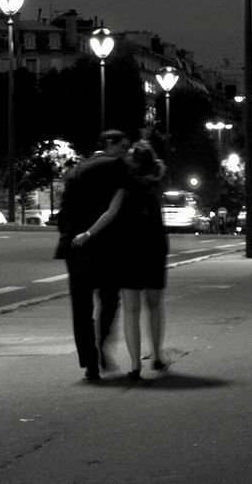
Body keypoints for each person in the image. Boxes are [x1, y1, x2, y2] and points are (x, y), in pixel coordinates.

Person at [74, 140, 169, 381]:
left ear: (133, 162)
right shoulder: (158, 181)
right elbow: (160, 164)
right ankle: (157, 355)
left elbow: (110, 213)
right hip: (155, 248)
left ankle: (135, 365)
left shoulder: (125, 185)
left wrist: (86, 234)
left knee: (131, 311)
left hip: (130, 251)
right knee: (155, 306)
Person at [55, 129, 130, 382]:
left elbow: (64, 212)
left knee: (81, 306)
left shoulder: (76, 170)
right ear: (110, 143)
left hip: (76, 246)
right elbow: (122, 207)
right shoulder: (117, 166)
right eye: (123, 145)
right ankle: (101, 345)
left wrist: (68, 236)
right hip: (107, 245)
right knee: (110, 299)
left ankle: (89, 361)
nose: (125, 150)